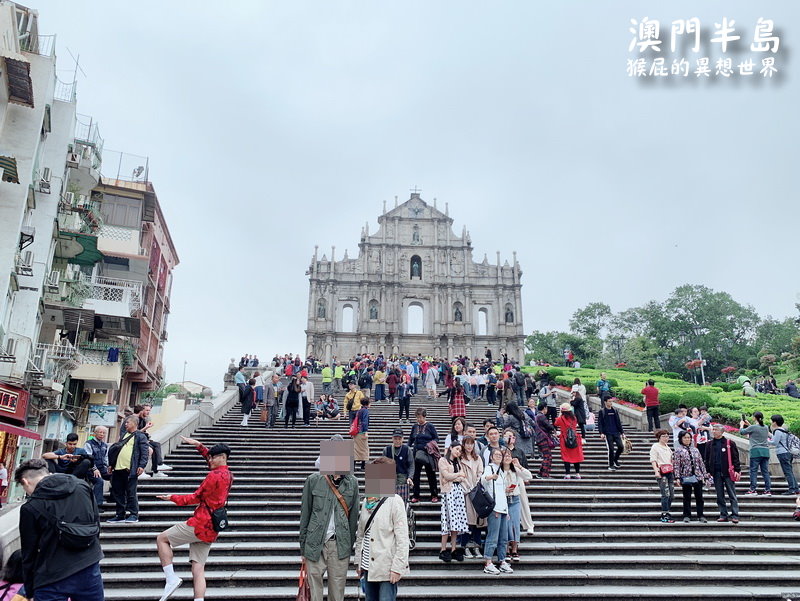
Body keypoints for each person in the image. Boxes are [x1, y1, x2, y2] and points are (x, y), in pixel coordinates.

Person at [15, 458, 104, 601]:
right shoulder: (82, 486)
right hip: (88, 566)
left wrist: (29, 589)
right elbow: (96, 524)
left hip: (50, 575)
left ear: (25, 482)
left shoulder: (30, 507)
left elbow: (29, 552)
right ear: (48, 473)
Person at [156, 438, 233, 601]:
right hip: (212, 528)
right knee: (198, 569)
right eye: (209, 457)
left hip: (200, 523)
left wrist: (172, 497)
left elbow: (195, 497)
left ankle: (171, 579)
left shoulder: (213, 476)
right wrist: (199, 447)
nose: (209, 460)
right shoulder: (228, 474)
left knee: (162, 539)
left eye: (212, 457)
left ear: (222, 457)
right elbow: (211, 461)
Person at [299, 447, 359, 601]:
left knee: (337, 592)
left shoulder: (352, 482)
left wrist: (348, 543)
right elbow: (305, 514)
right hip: (314, 543)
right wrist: (303, 547)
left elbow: (353, 519)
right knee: (314, 592)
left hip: (339, 544)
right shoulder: (313, 480)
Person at [354, 458, 410, 601]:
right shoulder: (368, 500)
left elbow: (402, 538)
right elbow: (361, 533)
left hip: (387, 567)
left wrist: (398, 568)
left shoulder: (395, 501)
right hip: (368, 566)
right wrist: (358, 562)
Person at [108, 415, 150, 523]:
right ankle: (120, 514)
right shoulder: (124, 435)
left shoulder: (140, 436)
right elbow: (117, 450)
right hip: (118, 468)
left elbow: (144, 453)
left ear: (134, 424)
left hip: (130, 469)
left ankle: (133, 514)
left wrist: (141, 465)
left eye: (128, 423)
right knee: (118, 492)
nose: (125, 424)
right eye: (125, 423)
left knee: (131, 492)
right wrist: (111, 464)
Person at [480, 448, 512, 575]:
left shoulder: (502, 471)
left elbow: (501, 492)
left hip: (503, 508)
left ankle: (502, 561)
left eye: (500, 454)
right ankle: (488, 562)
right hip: (494, 509)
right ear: (491, 457)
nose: (499, 456)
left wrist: (507, 510)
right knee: (492, 537)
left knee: (503, 538)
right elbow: (482, 480)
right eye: (496, 455)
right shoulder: (489, 468)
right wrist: (490, 477)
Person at [702, 423, 741, 524]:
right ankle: (723, 514)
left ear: (722, 431)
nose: (713, 431)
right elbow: (706, 459)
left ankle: (735, 514)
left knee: (732, 494)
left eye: (716, 430)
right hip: (716, 472)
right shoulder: (709, 444)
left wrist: (737, 470)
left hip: (728, 472)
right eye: (713, 429)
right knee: (720, 495)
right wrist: (708, 471)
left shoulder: (729, 443)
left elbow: (735, 458)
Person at [437, 442, 469, 563]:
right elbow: (445, 475)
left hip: (458, 491)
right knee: (447, 520)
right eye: (456, 449)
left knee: (456, 521)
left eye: (460, 450)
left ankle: (454, 548)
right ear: (451, 448)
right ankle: (443, 549)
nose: (458, 452)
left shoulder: (458, 462)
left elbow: (462, 477)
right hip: (448, 492)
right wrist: (457, 475)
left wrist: (454, 476)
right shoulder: (443, 460)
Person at [674, 429, 712, 523]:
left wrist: (705, 476)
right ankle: (687, 515)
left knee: (699, 497)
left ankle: (701, 515)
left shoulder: (695, 450)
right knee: (686, 497)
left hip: (698, 476)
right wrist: (677, 477)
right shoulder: (678, 451)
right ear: (681, 439)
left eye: (689, 438)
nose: (687, 439)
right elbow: (676, 465)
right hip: (686, 476)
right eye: (685, 438)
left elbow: (701, 463)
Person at [500, 450, 532, 561]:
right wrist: (504, 490)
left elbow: (529, 476)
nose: (507, 457)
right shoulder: (499, 471)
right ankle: (506, 549)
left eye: (509, 455)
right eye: (505, 456)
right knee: (506, 525)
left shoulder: (515, 470)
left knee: (515, 524)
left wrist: (519, 466)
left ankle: (514, 549)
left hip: (515, 499)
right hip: (503, 499)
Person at [458, 435, 485, 557]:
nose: (469, 446)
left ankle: (477, 546)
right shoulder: (460, 458)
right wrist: (468, 487)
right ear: (463, 444)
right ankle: (465, 546)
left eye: (471, 443)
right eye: (467, 443)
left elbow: (480, 472)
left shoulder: (477, 457)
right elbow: (460, 474)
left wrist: (476, 485)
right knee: (467, 520)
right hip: (466, 492)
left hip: (477, 492)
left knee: (478, 520)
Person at [408, 408, 439, 504]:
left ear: (424, 416)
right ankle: (416, 495)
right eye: (417, 417)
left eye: (420, 417)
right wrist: (407, 447)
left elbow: (436, 438)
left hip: (428, 454)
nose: (418, 419)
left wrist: (429, 445)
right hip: (416, 453)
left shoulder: (430, 426)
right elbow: (411, 439)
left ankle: (434, 495)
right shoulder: (414, 427)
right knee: (416, 475)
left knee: (431, 475)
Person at [740, 412, 772, 496]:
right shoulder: (765, 427)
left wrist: (741, 424)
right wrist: (749, 425)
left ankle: (753, 489)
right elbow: (757, 430)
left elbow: (742, 432)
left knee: (753, 471)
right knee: (765, 471)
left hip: (755, 451)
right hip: (765, 451)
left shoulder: (753, 427)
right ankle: (768, 490)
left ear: (754, 418)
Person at [649, 429, 675, 523]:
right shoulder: (655, 446)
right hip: (661, 471)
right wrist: (656, 471)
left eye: (667, 436)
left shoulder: (668, 447)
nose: (666, 438)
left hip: (670, 471)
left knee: (672, 494)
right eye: (663, 436)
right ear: (659, 437)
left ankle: (666, 511)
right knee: (665, 494)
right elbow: (653, 460)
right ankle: (665, 513)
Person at [769, 414, 799, 495]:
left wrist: (765, 441)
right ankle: (796, 489)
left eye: (771, 421)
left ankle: (791, 489)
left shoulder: (777, 431)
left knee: (787, 472)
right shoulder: (783, 430)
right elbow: (776, 438)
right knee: (789, 471)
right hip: (788, 453)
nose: (771, 422)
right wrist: (768, 434)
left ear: (774, 422)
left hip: (782, 453)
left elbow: (774, 442)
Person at [383, 429, 414, 502]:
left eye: (399, 439)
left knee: (401, 500)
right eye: (395, 439)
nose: (397, 441)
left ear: (403, 439)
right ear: (392, 438)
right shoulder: (387, 450)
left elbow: (411, 465)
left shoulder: (407, 449)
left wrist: (410, 477)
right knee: (388, 501)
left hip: (402, 477)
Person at [555, 403, 584, 479]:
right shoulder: (574, 418)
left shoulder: (561, 418)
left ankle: (568, 474)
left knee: (566, 456)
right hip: (575, 439)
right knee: (576, 457)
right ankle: (577, 474)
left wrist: (559, 414)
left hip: (565, 439)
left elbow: (556, 423)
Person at [84, 426, 110, 508]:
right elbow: (88, 458)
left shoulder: (105, 445)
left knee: (116, 476)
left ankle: (113, 497)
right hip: (91, 468)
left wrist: (109, 467)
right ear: (95, 433)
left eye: (103, 433)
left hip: (102, 468)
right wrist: (94, 469)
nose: (102, 434)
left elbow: (106, 458)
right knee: (99, 481)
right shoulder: (89, 443)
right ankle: (97, 505)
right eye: (100, 432)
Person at [597, 396, 624, 471]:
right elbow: (600, 423)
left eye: (611, 401)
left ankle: (615, 459)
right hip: (608, 433)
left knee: (621, 446)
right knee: (611, 449)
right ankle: (611, 465)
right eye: (609, 401)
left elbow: (618, 422)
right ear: (605, 402)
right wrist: (601, 432)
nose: (611, 403)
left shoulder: (614, 410)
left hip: (616, 432)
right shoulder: (602, 411)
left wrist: (622, 432)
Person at [534, 401, 556, 478]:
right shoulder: (541, 416)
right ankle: (545, 474)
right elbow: (549, 426)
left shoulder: (537, 416)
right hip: (543, 438)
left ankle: (540, 473)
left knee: (546, 456)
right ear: (544, 408)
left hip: (539, 438)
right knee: (548, 456)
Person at [354, 399, 370, 471]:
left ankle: (353, 466)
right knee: (364, 449)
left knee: (356, 449)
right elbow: (365, 421)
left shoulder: (359, 410)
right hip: (362, 432)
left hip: (357, 432)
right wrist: (366, 431)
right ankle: (362, 466)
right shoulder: (365, 411)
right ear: (367, 403)